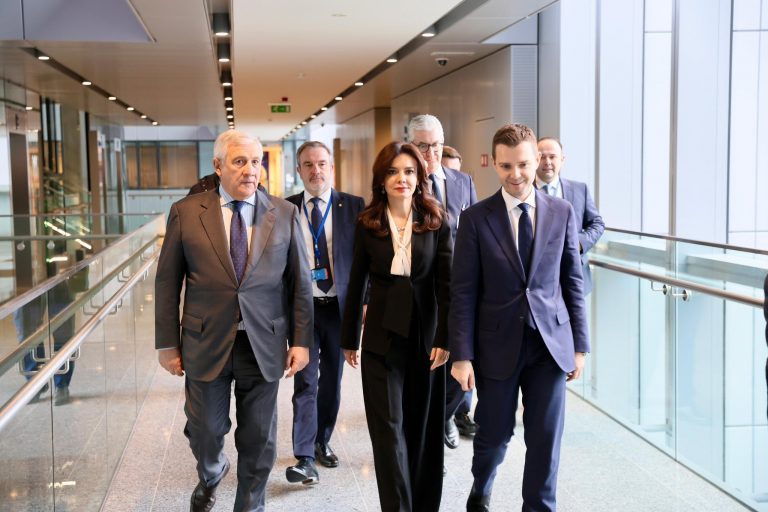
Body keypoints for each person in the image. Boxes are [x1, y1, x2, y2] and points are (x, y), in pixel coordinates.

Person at [155, 129, 313, 512]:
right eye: (240, 162)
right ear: (218, 165)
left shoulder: (284, 213)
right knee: (205, 431)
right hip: (205, 340)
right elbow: (167, 282)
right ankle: (212, 471)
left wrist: (301, 340)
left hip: (263, 343)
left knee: (259, 438)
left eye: (256, 162)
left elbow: (300, 283)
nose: (250, 170)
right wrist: (167, 343)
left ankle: (250, 505)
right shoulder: (187, 212)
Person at [449, 123, 589, 512]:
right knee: (494, 435)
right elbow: (463, 291)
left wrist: (580, 346)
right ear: (494, 164)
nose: (515, 174)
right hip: (496, 345)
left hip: (550, 345)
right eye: (506, 166)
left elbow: (572, 281)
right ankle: (482, 485)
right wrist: (462, 355)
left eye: (523, 165)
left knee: (545, 438)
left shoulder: (561, 212)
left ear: (537, 160)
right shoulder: (476, 218)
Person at [341, 141, 452, 512]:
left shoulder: (436, 219)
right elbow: (356, 280)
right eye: (392, 172)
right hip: (381, 340)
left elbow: (447, 285)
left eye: (408, 171)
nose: (401, 178)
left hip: (427, 341)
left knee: (421, 429)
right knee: (388, 432)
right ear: (381, 179)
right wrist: (349, 338)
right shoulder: (368, 223)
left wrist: (445, 338)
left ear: (419, 176)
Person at [284, 141, 365, 484]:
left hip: (338, 309)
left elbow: (364, 261)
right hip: (303, 310)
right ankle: (304, 456)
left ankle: (322, 440)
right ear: (299, 170)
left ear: (331, 167)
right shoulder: (286, 208)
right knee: (305, 380)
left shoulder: (354, 206)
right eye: (308, 165)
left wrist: (364, 304)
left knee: (332, 380)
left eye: (321, 164)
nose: (315, 170)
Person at [407, 114, 479, 448]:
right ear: (411, 146)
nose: (430, 153)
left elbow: (477, 232)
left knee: (462, 360)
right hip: (421, 291)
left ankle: (442, 417)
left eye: (436, 145)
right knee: (425, 365)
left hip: (461, 288)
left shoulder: (463, 181)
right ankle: (426, 436)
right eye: (422, 146)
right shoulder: (404, 183)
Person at [536, 137, 605, 294]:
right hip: (537, 281)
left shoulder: (580, 189)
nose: (547, 162)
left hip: (574, 275)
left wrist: (578, 243)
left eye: (552, 156)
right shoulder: (524, 192)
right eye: (542, 157)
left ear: (562, 160)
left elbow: (597, 223)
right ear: (534, 160)